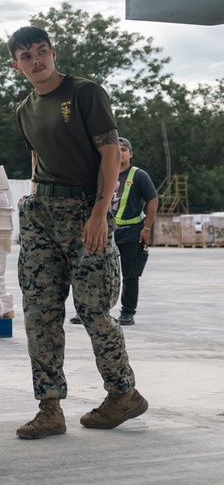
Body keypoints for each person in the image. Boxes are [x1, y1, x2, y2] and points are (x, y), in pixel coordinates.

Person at [8, 25, 147, 440]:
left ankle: (123, 394)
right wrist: (32, 197)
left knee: (94, 309)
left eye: (41, 51)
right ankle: (49, 408)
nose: (36, 60)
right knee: (39, 312)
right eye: (26, 56)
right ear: (16, 65)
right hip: (41, 216)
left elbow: (109, 152)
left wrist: (101, 212)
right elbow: (37, 157)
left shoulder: (84, 92)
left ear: (53, 52)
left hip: (85, 209)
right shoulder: (24, 110)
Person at [111, 137, 158, 325]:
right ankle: (96, 311)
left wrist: (147, 228)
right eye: (117, 149)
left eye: (124, 149)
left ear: (131, 154)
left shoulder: (139, 175)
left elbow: (153, 201)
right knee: (101, 274)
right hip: (107, 234)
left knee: (130, 275)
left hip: (131, 233)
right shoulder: (105, 173)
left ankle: (128, 312)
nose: (120, 152)